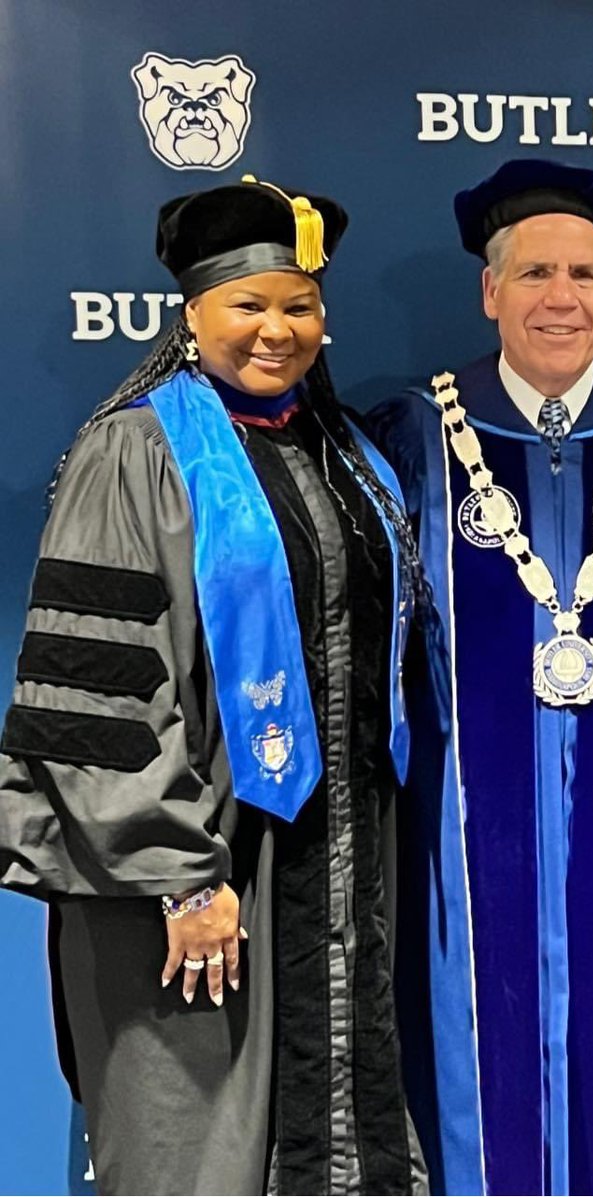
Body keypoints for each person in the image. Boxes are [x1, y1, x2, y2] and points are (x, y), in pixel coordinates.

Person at [0, 176, 427, 1195]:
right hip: (191, 874)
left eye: (300, 305)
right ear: (192, 315)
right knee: (193, 1145)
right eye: (249, 304)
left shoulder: (341, 453)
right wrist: (180, 876)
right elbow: (96, 693)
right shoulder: (135, 450)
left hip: (330, 869)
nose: (278, 329)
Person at [367, 158, 593, 1196]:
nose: (560, 298)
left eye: (584, 274)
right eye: (533, 274)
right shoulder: (410, 436)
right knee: (473, 1065)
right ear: (490, 291)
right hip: (462, 844)